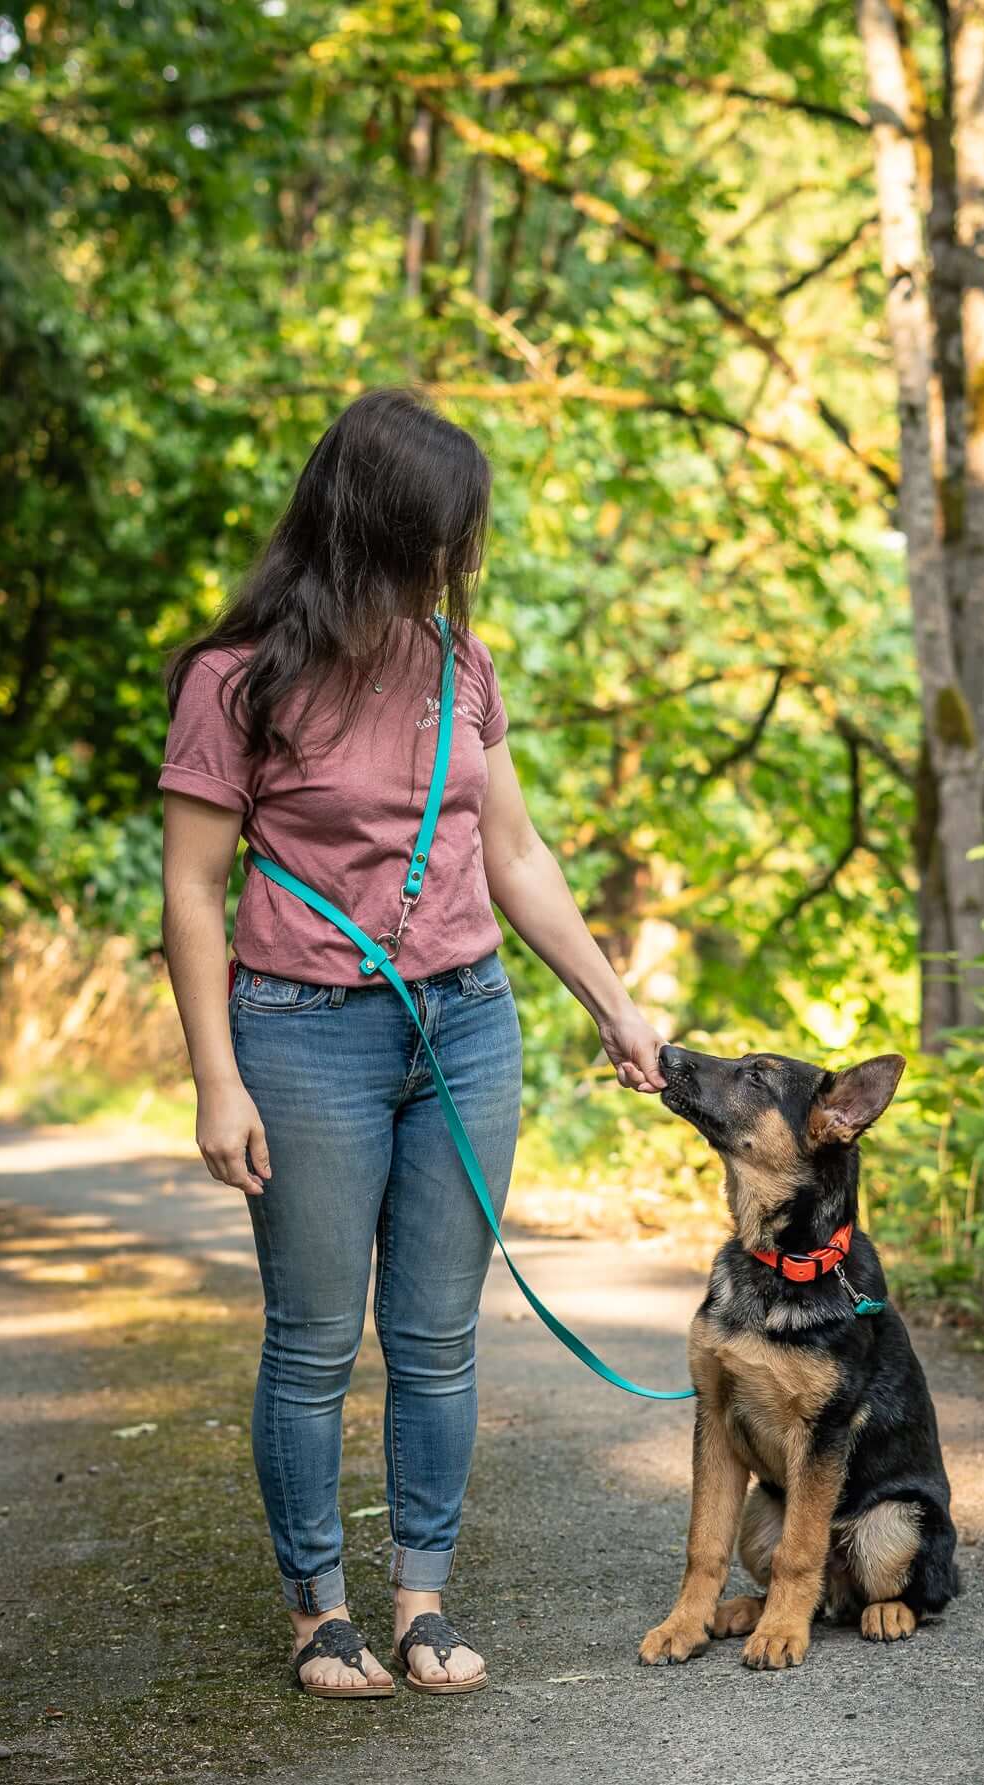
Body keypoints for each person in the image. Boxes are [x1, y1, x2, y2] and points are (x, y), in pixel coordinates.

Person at [159, 387, 664, 1700]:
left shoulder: (458, 666)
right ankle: (317, 1608)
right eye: (439, 541)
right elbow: (192, 892)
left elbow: (512, 851)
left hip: (466, 1025)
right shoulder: (237, 680)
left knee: (437, 1337)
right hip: (299, 1035)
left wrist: (612, 1001)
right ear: (368, 530)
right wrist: (217, 1080)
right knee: (316, 1341)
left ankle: (422, 1601)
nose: (457, 565)